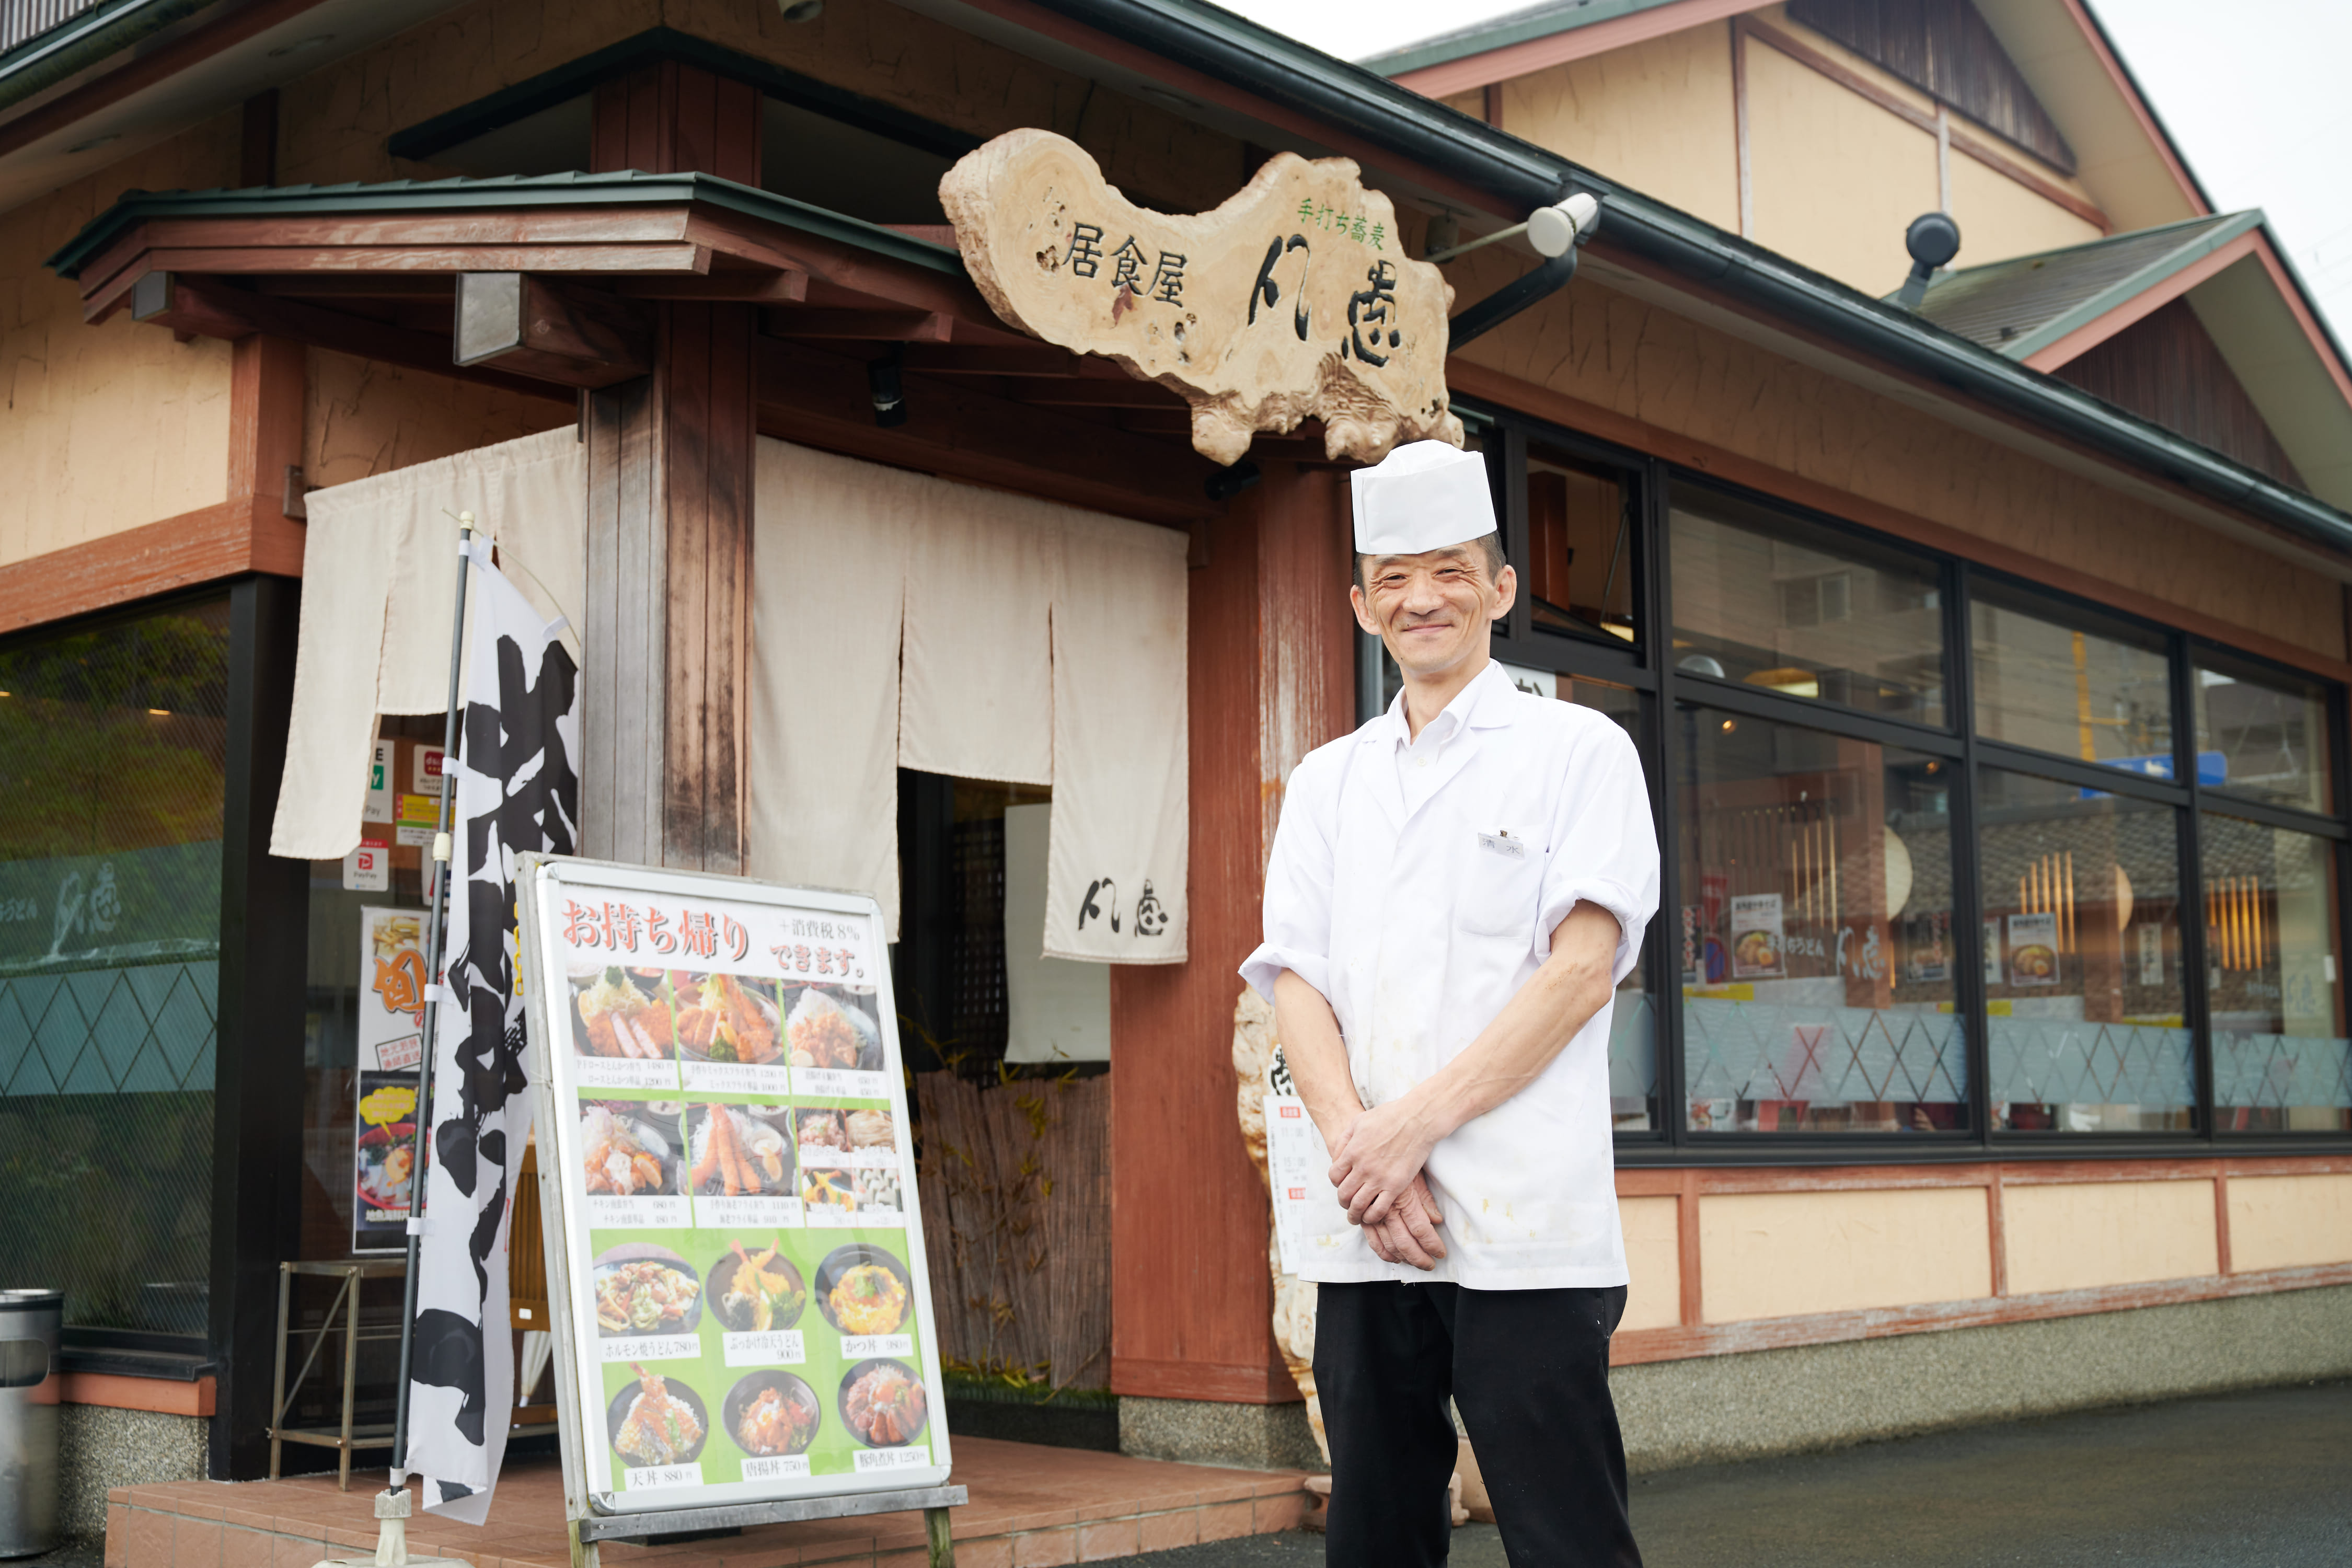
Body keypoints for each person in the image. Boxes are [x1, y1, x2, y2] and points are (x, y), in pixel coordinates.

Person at [1240, 440, 1658, 1568]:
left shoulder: (1580, 750)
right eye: (1393, 577)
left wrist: (1406, 1133)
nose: (1422, 597)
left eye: (1451, 570)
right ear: (1362, 604)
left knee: (1564, 1528)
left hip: (1526, 1216)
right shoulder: (1330, 780)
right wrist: (1362, 1154)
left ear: (1502, 588)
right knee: (1374, 1525)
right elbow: (1295, 980)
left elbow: (1579, 972)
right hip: (1368, 1224)